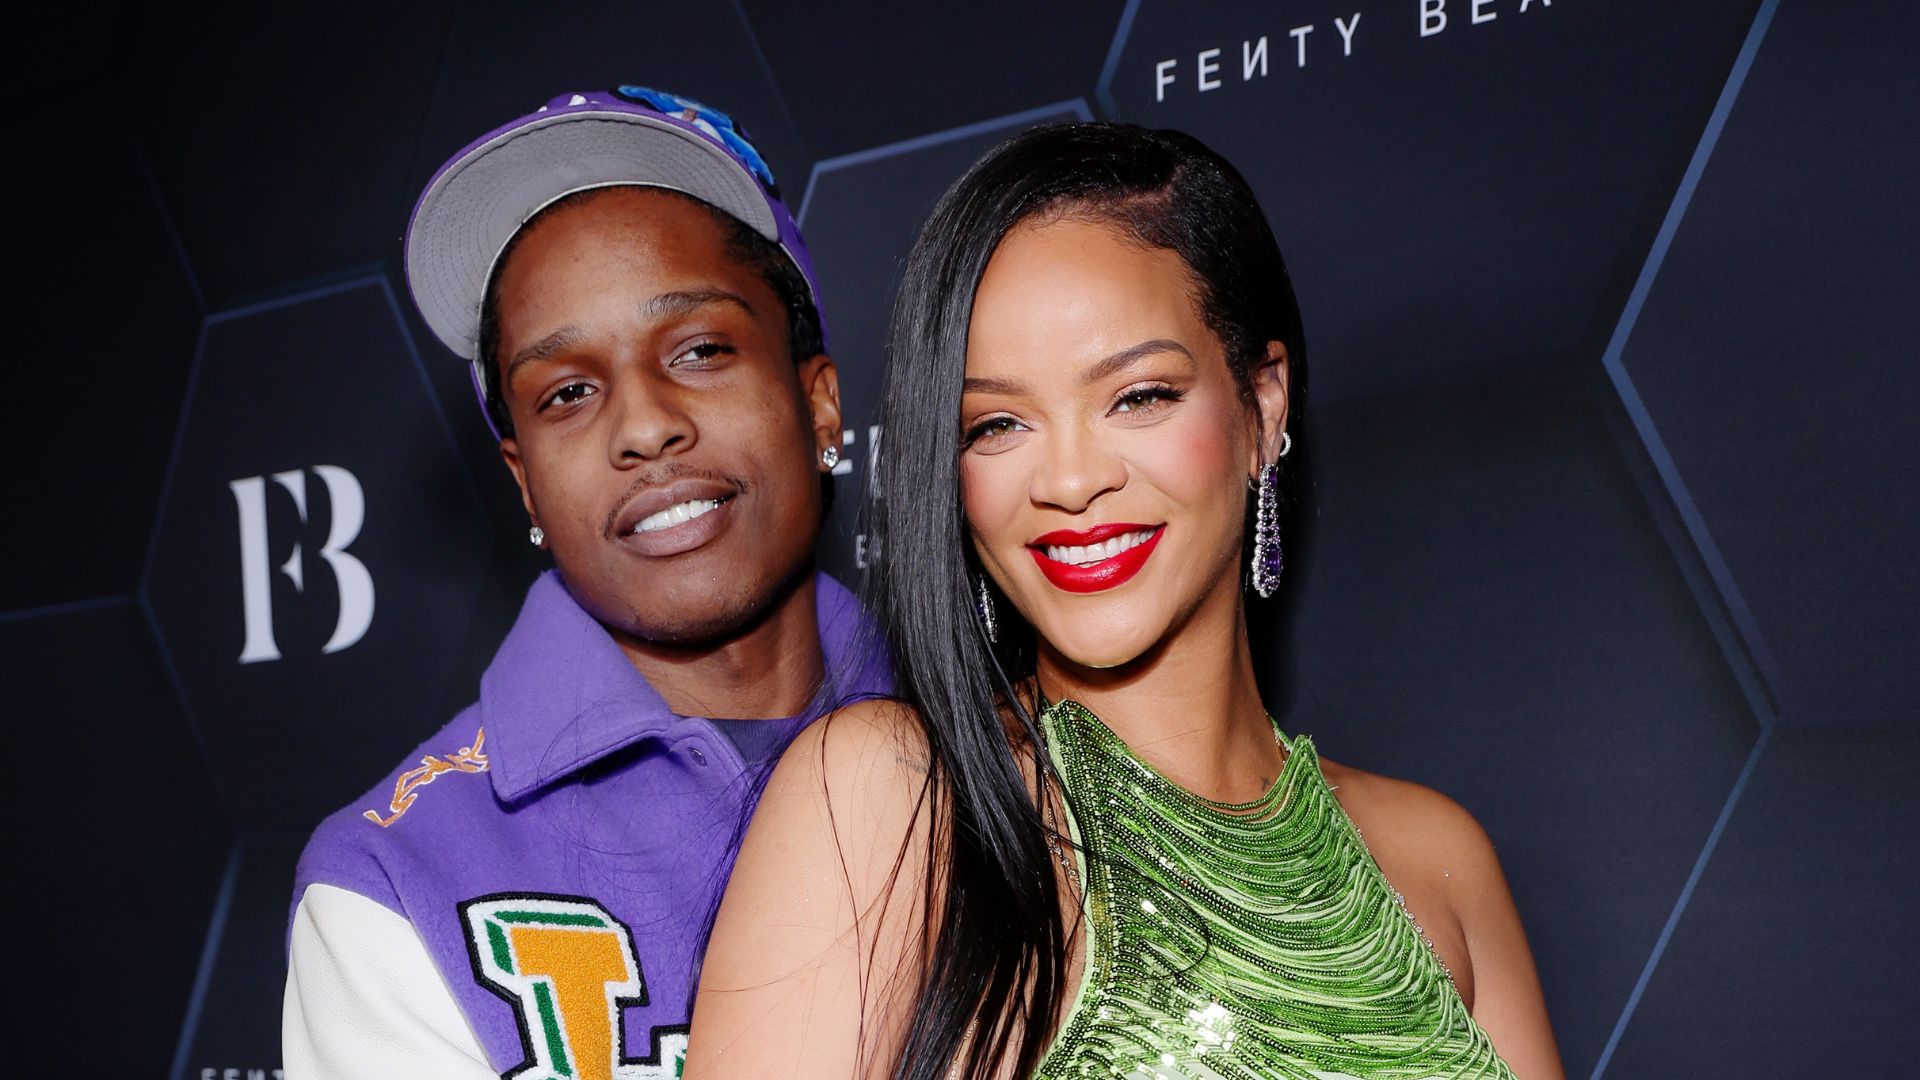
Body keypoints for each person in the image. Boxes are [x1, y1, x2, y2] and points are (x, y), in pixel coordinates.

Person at [685, 123, 1564, 1079]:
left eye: (1139, 396)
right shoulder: (885, 802)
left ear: (1263, 405)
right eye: (999, 422)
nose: (1067, 480)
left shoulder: (1440, 856)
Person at [282, 86, 887, 1079]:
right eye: (567, 392)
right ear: (523, 480)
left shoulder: (1014, 760)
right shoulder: (391, 881)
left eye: (700, 349)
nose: (645, 425)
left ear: (819, 405)